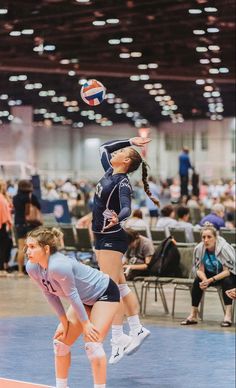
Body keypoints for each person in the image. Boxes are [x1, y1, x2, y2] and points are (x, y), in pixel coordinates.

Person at [92, 137, 159, 364]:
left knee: (110, 288)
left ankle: (118, 338)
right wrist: (130, 140)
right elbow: (103, 147)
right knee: (119, 285)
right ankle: (137, 328)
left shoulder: (122, 183)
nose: (115, 152)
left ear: (127, 161)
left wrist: (117, 218)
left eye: (122, 151)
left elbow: (127, 209)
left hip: (112, 237)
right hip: (102, 236)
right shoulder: (110, 170)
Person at [25, 227, 120, 388]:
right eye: (27, 247)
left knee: (93, 344)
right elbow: (49, 294)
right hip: (84, 299)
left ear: (46, 249)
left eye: (33, 247)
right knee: (60, 343)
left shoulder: (58, 266)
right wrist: (64, 321)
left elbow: (72, 295)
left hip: (104, 292)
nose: (28, 251)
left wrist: (85, 324)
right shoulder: (32, 267)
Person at [181, 224, 236, 327]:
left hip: (227, 274)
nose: (206, 240)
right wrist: (205, 280)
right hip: (210, 275)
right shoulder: (199, 249)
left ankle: (227, 316)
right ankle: (193, 315)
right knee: (198, 281)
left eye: (209, 237)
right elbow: (199, 270)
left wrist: (210, 280)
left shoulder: (224, 248)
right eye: (203, 237)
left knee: (227, 281)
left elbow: (227, 271)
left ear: (215, 238)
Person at [13, 179, 41, 276]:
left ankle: (20, 271)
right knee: (32, 248)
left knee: (21, 248)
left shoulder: (15, 198)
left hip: (19, 224)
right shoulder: (31, 197)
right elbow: (39, 207)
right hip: (30, 225)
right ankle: (32, 272)